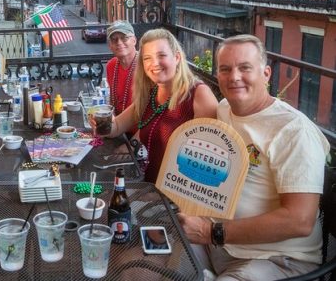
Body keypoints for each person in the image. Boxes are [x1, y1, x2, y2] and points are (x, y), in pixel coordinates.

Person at [178, 34, 330, 280]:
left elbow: (299, 220)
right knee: (145, 257)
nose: (234, 77)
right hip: (218, 243)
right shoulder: (225, 108)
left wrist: (212, 232)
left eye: (245, 68)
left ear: (266, 74)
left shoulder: (293, 130)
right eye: (225, 69)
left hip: (275, 259)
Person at [93, 28, 218, 183]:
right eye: (147, 58)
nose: (155, 63)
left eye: (162, 55)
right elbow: (117, 126)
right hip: (149, 184)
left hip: (177, 198)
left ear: (177, 57)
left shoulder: (199, 94)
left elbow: (206, 167)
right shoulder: (151, 92)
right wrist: (101, 122)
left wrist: (162, 194)